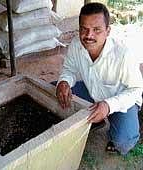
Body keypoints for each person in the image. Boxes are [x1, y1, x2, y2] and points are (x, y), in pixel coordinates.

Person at [56, 2, 143, 155]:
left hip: (120, 100)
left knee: (123, 141)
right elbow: (69, 70)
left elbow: (136, 90)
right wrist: (64, 82)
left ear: (108, 31)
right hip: (91, 90)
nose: (89, 36)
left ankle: (121, 126)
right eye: (84, 29)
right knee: (57, 91)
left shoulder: (123, 54)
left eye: (96, 30)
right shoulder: (76, 44)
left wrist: (108, 105)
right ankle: (97, 119)